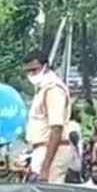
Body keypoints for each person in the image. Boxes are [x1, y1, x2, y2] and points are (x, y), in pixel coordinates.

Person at [22, 49, 72, 184]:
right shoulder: (41, 89)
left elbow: (56, 129)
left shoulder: (53, 89)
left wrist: (45, 167)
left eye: (35, 70)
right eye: (28, 71)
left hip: (53, 151)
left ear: (46, 67)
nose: (31, 74)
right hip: (41, 150)